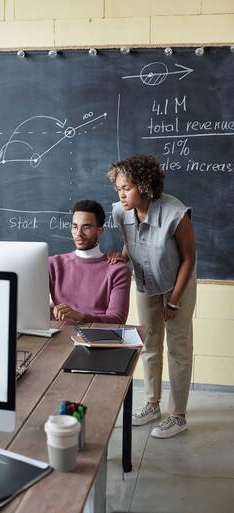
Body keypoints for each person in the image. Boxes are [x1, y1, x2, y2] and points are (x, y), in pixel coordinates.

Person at [107, 155, 196, 438]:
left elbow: (189, 258)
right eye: (118, 188)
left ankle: (178, 416)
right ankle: (152, 404)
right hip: (145, 282)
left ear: (144, 185)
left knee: (178, 347)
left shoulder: (174, 212)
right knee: (149, 343)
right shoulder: (121, 211)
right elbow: (130, 238)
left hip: (176, 283)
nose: (121, 194)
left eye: (127, 187)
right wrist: (121, 257)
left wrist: (174, 300)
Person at [49, 199, 131, 324]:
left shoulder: (118, 270)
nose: (78, 234)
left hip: (96, 338)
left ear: (100, 231)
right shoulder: (53, 265)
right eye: (75, 227)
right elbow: (30, 306)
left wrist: (80, 317)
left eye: (86, 227)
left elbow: (117, 319)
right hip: (56, 336)